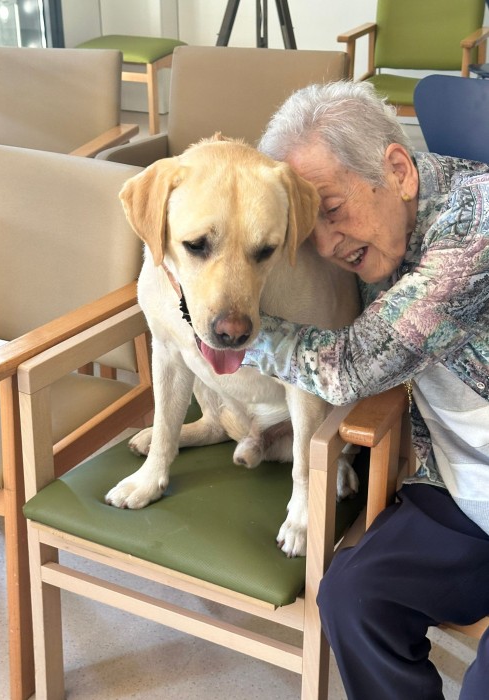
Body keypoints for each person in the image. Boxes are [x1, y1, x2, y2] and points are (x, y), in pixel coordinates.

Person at [241, 81, 489, 700]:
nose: (326, 245)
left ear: (398, 171)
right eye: (310, 227)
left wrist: (230, 329)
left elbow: (353, 366)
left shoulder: (474, 227)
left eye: (331, 210)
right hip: (462, 496)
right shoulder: (381, 231)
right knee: (353, 596)